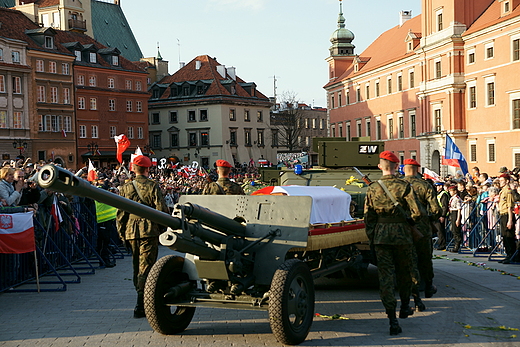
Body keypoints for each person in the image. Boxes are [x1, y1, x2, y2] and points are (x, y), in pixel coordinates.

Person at [364, 151, 421, 336]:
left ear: (380, 166)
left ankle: (392, 319)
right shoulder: (405, 186)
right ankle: (405, 306)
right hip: (403, 237)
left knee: (385, 277)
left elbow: (368, 217)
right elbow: (417, 212)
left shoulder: (372, 188)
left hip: (381, 238)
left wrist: (373, 236)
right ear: (397, 167)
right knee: (404, 273)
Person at [116, 155, 169, 318]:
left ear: (133, 169)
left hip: (131, 231)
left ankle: (141, 297)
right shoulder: (153, 186)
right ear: (147, 169)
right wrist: (162, 229)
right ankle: (141, 303)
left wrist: (122, 234)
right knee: (147, 266)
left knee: (136, 266)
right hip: (148, 230)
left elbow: (121, 214)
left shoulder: (125, 188)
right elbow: (161, 209)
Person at [403, 159, 442, 311]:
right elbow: (436, 210)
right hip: (423, 229)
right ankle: (428, 285)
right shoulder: (425, 185)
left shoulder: (400, 185)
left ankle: (409, 291)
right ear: (417, 169)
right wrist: (429, 219)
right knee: (425, 258)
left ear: (404, 169)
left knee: (407, 260)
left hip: (404, 229)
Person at [497, 173, 516, 264]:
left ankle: (511, 255)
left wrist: (510, 220)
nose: (500, 182)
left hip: (507, 215)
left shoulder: (508, 191)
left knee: (509, 236)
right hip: (502, 214)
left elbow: (510, 207)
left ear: (507, 181)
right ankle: (508, 255)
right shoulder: (502, 191)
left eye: (502, 180)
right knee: (504, 236)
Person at [435, 182, 450, 250]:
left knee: (440, 230)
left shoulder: (443, 194)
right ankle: (440, 243)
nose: (436, 187)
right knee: (439, 230)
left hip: (441, 215)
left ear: (441, 186)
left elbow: (444, 206)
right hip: (438, 214)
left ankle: (442, 244)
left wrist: (443, 216)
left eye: (437, 186)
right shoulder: (438, 194)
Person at [448, 186, 463, 252]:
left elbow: (459, 209)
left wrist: (458, 219)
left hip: (456, 213)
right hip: (452, 213)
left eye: (451, 191)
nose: (450, 192)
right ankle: (455, 245)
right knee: (453, 230)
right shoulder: (452, 198)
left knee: (456, 230)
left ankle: (457, 246)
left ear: (455, 191)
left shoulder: (457, 198)